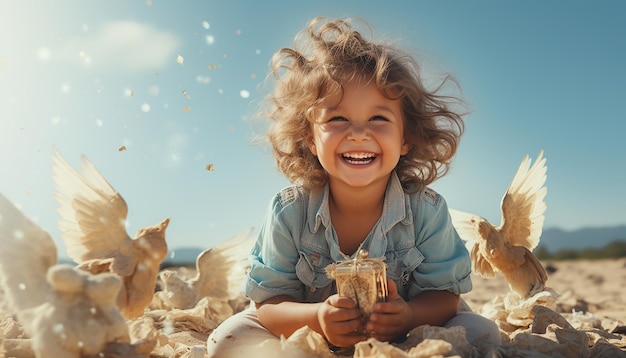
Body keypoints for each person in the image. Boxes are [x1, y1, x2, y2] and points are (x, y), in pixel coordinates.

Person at [206, 17, 500, 357]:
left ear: (406, 138)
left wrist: (407, 316)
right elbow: (270, 302)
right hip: (309, 334)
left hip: (405, 337)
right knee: (227, 340)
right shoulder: (288, 211)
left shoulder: (427, 210)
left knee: (482, 333)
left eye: (378, 118)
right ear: (310, 139)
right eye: (337, 119)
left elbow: (445, 296)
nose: (358, 133)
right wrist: (317, 317)